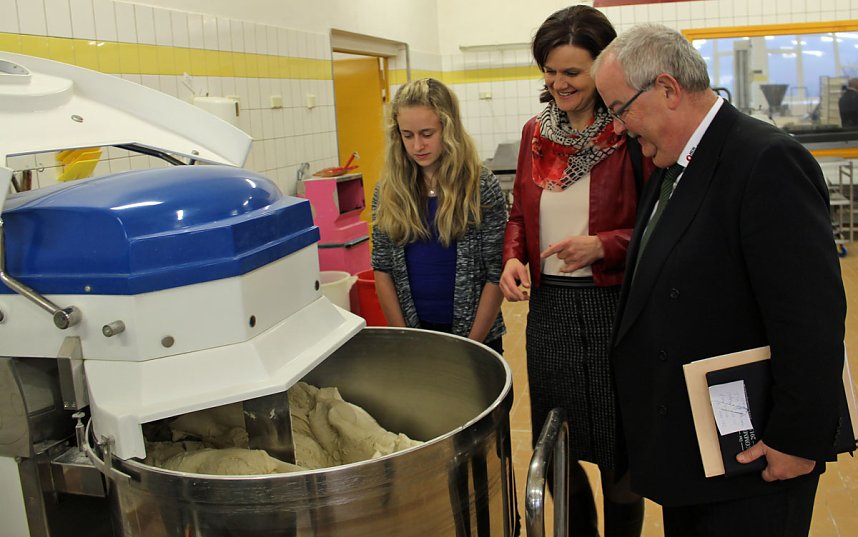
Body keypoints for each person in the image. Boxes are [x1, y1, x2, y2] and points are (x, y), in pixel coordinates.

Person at [592, 24, 848, 537]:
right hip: (695, 449)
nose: (617, 128)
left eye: (619, 109)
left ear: (667, 89)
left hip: (755, 460)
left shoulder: (764, 159)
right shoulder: (672, 166)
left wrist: (797, 442)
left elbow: (811, 319)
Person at [499, 6, 653, 537]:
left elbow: (661, 227)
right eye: (549, 70)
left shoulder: (630, 133)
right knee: (559, 438)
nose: (558, 83)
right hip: (551, 314)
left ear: (603, 67)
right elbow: (519, 213)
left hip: (615, 307)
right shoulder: (533, 135)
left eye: (572, 72)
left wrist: (604, 245)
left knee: (619, 445)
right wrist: (513, 259)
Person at [371, 77, 507, 352]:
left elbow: (496, 273)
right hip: (417, 333)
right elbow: (382, 270)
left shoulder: (480, 186)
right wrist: (407, 338)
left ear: (449, 128)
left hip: (477, 336)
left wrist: (472, 346)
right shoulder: (389, 190)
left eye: (427, 133)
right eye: (407, 135)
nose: (417, 146)